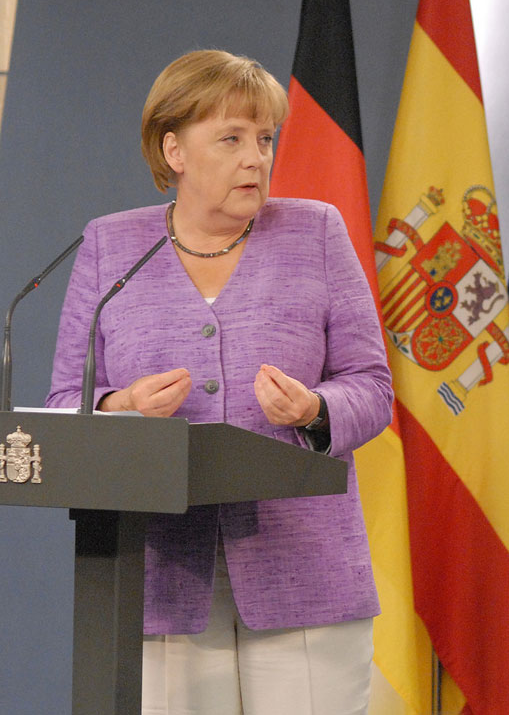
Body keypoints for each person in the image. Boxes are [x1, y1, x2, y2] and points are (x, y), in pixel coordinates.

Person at [46, 49, 394, 715]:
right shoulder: (110, 247)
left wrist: (316, 407)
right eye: (231, 139)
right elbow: (67, 402)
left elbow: (371, 386)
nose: (256, 158)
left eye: (264, 139)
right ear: (173, 149)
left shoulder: (315, 232)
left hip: (306, 574)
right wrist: (120, 407)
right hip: (160, 576)